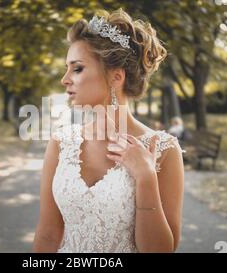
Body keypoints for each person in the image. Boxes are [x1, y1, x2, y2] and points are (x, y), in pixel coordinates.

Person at [32, 9, 184, 253]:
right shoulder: (61, 143)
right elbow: (48, 234)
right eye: (66, 68)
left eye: (77, 68)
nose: (65, 79)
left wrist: (145, 176)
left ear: (116, 77)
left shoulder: (164, 149)